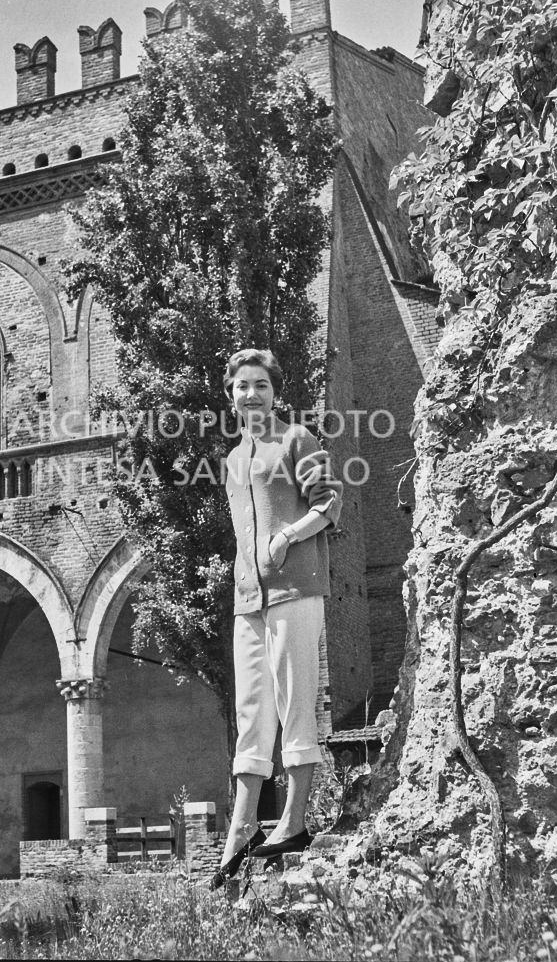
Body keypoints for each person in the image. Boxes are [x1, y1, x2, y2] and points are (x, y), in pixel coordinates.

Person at [208, 348, 343, 890]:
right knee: (252, 710)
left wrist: (286, 537)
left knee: (295, 698)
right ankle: (241, 828)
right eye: (242, 386)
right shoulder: (233, 461)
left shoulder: (297, 439)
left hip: (296, 589)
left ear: (275, 392)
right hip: (248, 599)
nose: (251, 395)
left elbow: (330, 503)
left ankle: (292, 820)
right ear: (230, 396)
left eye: (260, 385)